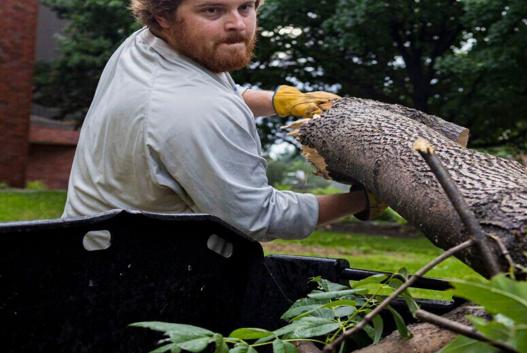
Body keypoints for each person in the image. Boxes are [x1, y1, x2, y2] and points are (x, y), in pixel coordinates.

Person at [62, 0, 379, 241]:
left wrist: (281, 101)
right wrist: (363, 199)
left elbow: (210, 93)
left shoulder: (146, 45)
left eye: (245, 7)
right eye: (212, 11)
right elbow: (257, 218)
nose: (238, 25)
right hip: (137, 285)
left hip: (90, 250)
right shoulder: (192, 110)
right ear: (163, 16)